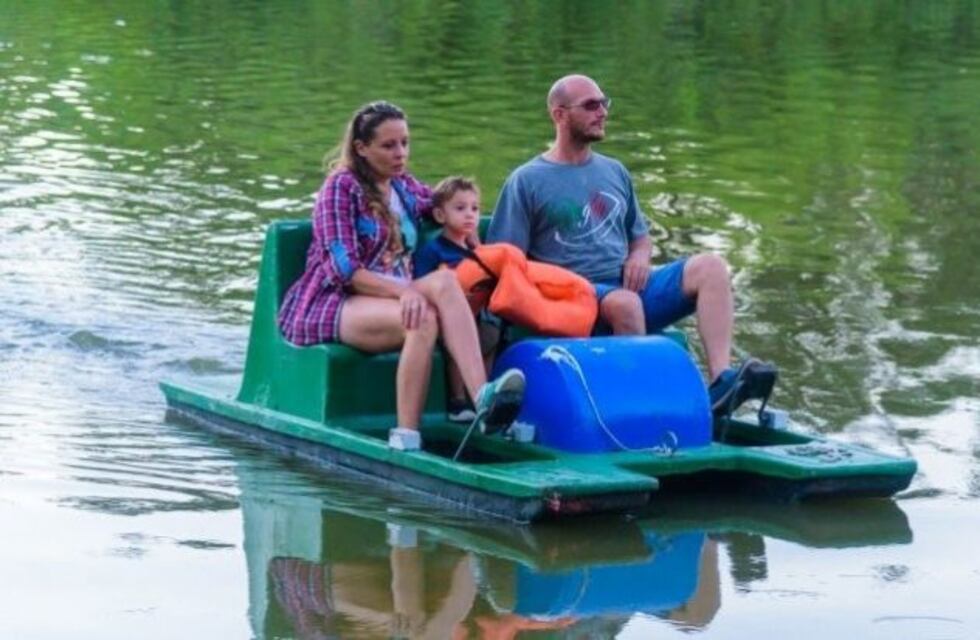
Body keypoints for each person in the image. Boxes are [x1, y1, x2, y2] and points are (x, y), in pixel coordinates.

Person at [487, 75, 775, 415]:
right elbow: (506, 261)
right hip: (572, 299)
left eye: (604, 103)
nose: (602, 112)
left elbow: (640, 236)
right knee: (627, 305)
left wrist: (639, 255)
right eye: (590, 105)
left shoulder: (615, 171)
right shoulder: (526, 180)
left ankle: (721, 385)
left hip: (629, 289)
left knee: (710, 268)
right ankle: (641, 409)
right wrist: (561, 288)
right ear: (559, 115)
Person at [277, 101, 525, 450]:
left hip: (398, 292)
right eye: (389, 145)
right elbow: (344, 271)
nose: (401, 153)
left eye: (405, 143)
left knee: (445, 282)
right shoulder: (340, 188)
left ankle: (482, 399)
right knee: (421, 318)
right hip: (338, 299)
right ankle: (406, 435)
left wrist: (465, 226)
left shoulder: (403, 187)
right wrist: (405, 292)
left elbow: (441, 205)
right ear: (361, 148)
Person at [414, 176, 495, 423]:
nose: (470, 214)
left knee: (491, 336)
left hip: (479, 313)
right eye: (460, 208)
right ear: (440, 215)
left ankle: (484, 396)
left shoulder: (477, 252)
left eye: (475, 208)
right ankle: (457, 401)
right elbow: (422, 283)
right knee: (458, 344)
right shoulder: (434, 250)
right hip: (447, 317)